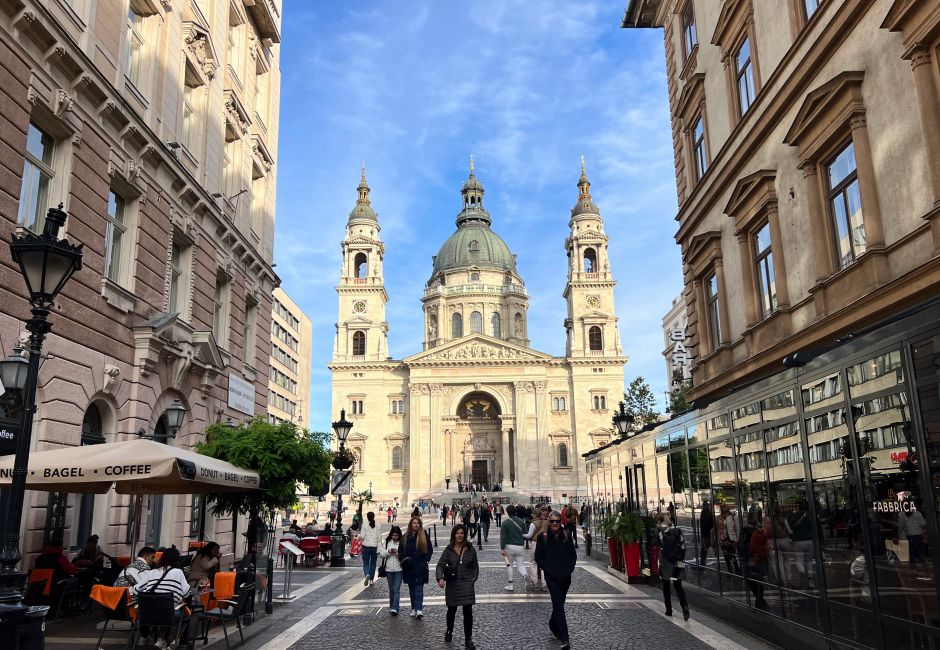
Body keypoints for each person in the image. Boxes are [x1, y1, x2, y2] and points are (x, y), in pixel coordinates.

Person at [535, 510, 577, 650]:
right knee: (558, 605)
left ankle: (553, 625)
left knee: (559, 604)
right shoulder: (543, 537)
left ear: (561, 522)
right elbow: (538, 557)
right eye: (552, 521)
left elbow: (573, 554)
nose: (554, 524)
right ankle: (565, 638)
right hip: (551, 577)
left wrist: (569, 569)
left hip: (565, 577)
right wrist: (548, 569)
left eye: (557, 521)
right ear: (549, 522)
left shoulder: (566, 535)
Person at [135, 547, 190, 649]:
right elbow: (186, 593)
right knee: (185, 615)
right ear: (177, 559)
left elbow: (137, 588)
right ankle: (174, 640)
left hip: (147, 615)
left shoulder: (151, 572)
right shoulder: (178, 572)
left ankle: (157, 639)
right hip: (168, 614)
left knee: (164, 609)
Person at [436, 524, 479, 649]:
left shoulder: (471, 549)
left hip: (467, 583)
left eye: (461, 533)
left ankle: (468, 639)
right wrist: (440, 578)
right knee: (452, 610)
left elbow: (475, 566)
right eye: (457, 533)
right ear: (453, 535)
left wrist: (473, 578)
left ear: (465, 534)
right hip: (453, 583)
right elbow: (440, 565)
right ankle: (449, 630)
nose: (459, 535)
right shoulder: (449, 550)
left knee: (468, 611)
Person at [658, 513, 690, 621]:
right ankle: (685, 609)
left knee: (666, 586)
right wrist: (680, 558)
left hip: (666, 561)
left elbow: (659, 546)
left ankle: (669, 609)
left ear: (660, 521)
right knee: (678, 586)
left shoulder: (661, 532)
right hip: (678, 561)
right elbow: (683, 546)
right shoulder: (678, 530)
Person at [400, 516, 432, 618]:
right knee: (411, 589)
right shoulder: (405, 537)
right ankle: (413, 608)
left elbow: (430, 549)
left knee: (419, 588)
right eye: (414, 523)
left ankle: (419, 609)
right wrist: (403, 560)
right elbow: (401, 550)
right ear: (411, 524)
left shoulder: (424, 535)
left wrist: (425, 561)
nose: (416, 525)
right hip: (409, 567)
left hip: (420, 566)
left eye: (417, 523)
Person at [500, 504, 534, 591]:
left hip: (509, 546)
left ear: (507, 512)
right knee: (521, 565)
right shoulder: (521, 521)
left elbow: (503, 537)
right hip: (520, 546)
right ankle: (525, 576)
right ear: (515, 511)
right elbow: (525, 533)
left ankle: (510, 585)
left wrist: (502, 548)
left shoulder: (505, 523)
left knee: (509, 565)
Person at [380, 526, 404, 615]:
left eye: (396, 535)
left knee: (396, 589)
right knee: (391, 589)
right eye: (393, 535)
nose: (395, 537)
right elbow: (381, 554)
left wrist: (398, 554)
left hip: (399, 569)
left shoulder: (402, 543)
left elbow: (404, 555)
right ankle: (392, 606)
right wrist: (388, 552)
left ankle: (395, 608)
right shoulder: (387, 542)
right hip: (389, 569)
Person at [360, 511, 383, 586]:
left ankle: (367, 574)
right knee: (373, 563)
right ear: (374, 516)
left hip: (366, 546)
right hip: (374, 546)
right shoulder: (378, 525)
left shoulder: (364, 525)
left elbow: (362, 536)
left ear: (367, 517)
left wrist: (359, 537)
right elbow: (379, 537)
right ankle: (371, 580)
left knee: (366, 563)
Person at [717, 503, 739, 574]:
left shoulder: (732, 517)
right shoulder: (719, 517)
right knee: (726, 557)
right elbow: (717, 529)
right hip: (722, 540)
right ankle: (730, 571)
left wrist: (737, 539)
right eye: (722, 511)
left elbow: (737, 528)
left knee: (733, 556)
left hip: (731, 540)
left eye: (725, 511)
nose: (723, 513)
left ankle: (737, 570)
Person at [699, 501, 715, 566]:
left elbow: (712, 525)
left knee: (712, 549)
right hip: (704, 534)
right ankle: (702, 563)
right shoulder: (703, 512)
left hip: (709, 534)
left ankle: (703, 563)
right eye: (703, 505)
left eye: (705, 505)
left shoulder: (710, 513)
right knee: (703, 550)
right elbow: (702, 523)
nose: (704, 506)